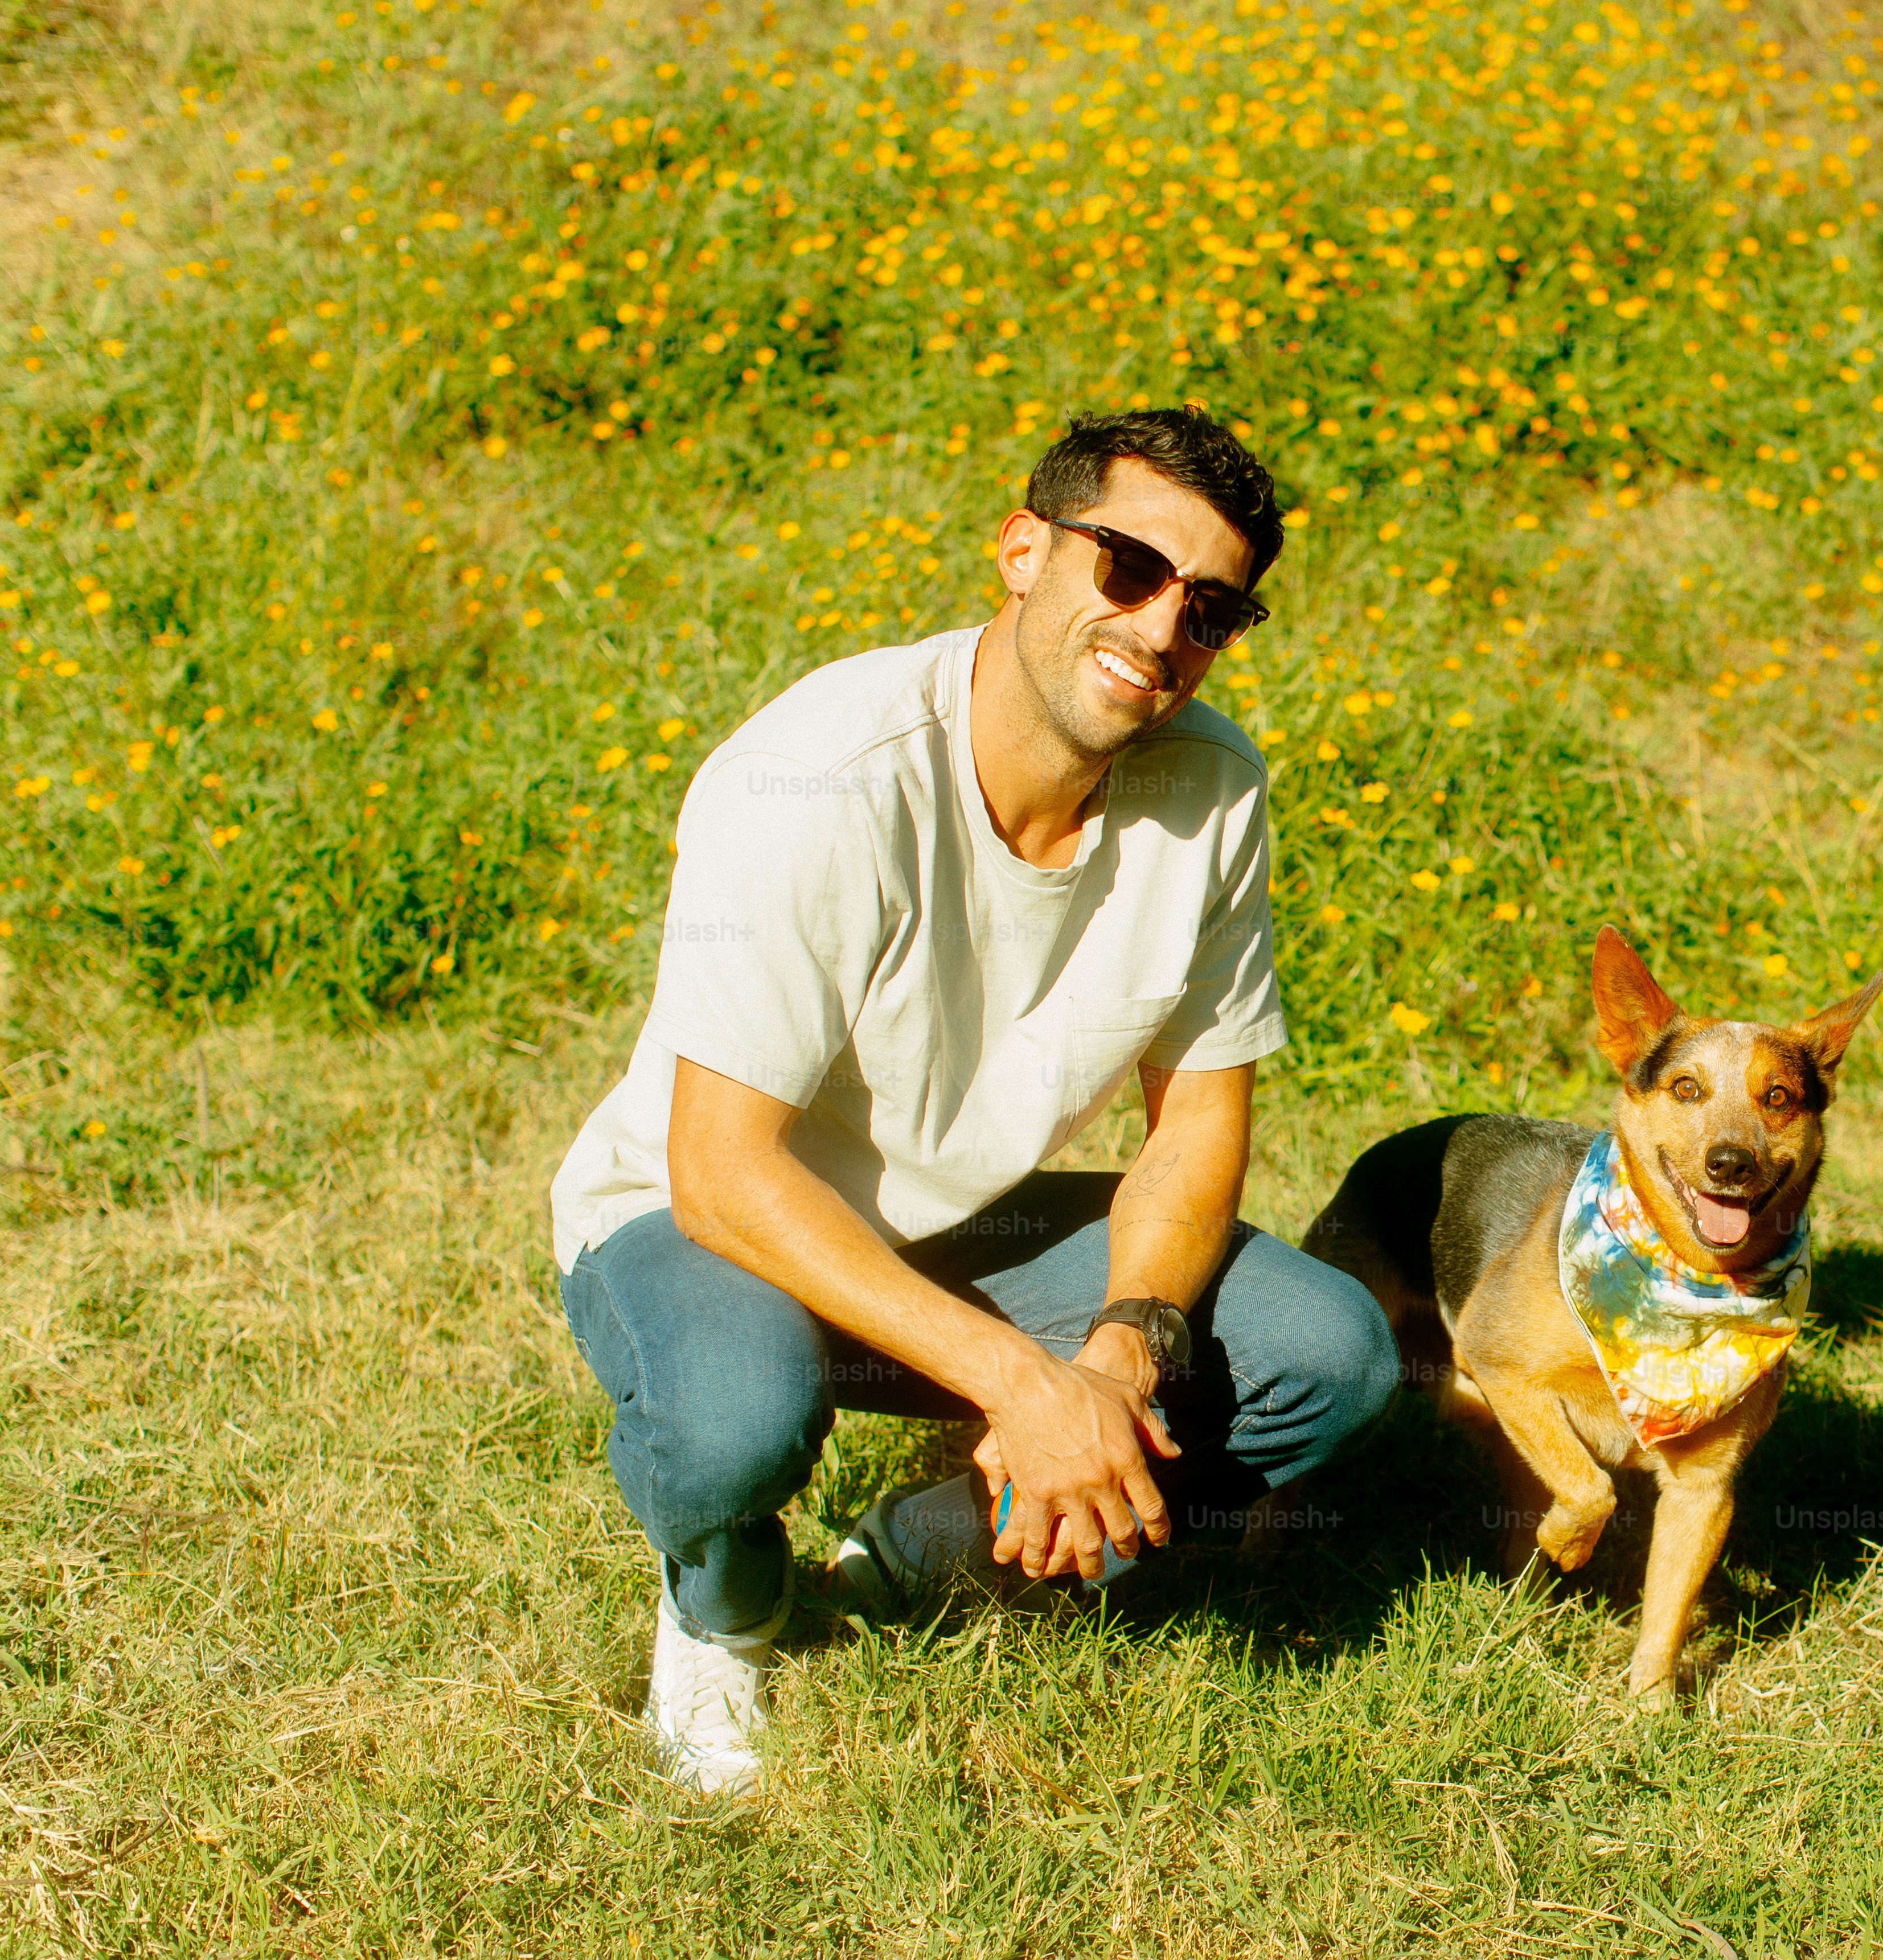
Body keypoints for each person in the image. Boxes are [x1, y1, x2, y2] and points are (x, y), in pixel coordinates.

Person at [547, 408, 1396, 1795]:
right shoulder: (819, 778)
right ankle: (724, 1602)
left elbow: (1194, 1124)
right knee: (732, 1422)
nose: (1160, 627)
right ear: (1021, 550)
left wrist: (1118, 1358)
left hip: (962, 1224)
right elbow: (720, 1170)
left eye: (1210, 609)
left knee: (1328, 1355)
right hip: (709, 1223)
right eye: (1129, 566)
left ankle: (930, 1549)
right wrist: (1018, 1381)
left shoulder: (1213, 791)